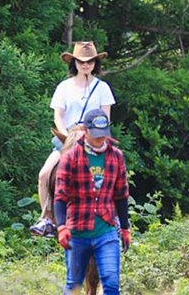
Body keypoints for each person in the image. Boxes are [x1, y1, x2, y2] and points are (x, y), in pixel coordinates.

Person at [30, 41, 116, 237]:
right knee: (44, 175)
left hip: (93, 137)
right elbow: (58, 115)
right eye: (81, 62)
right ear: (74, 63)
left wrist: (94, 134)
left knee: (113, 172)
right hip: (67, 138)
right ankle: (47, 218)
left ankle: (115, 217)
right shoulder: (64, 87)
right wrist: (66, 135)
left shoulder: (103, 88)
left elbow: (106, 117)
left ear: (95, 63)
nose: (85, 65)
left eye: (89, 62)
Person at [54, 108, 130, 295]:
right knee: (73, 285)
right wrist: (61, 227)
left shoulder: (116, 156)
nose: (100, 139)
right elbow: (61, 196)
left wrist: (126, 227)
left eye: (103, 135)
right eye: (96, 135)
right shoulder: (70, 157)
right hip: (77, 232)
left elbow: (121, 195)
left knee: (111, 284)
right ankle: (45, 220)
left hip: (106, 232)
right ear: (85, 131)